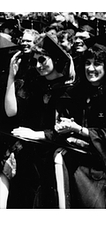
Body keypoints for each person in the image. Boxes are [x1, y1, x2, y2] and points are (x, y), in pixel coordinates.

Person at [53, 42, 106, 208]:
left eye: (97, 64)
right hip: (85, 157)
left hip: (105, 167)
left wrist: (80, 131)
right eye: (87, 63)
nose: (91, 68)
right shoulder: (83, 91)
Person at [5, 33, 75, 208]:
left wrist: (37, 135)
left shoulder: (69, 89)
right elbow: (11, 111)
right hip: (31, 149)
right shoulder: (36, 84)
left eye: (42, 60)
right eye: (35, 60)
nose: (37, 65)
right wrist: (12, 77)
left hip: (53, 152)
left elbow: (63, 129)